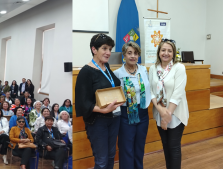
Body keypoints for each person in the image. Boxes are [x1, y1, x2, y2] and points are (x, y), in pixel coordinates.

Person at [75, 34, 123, 169]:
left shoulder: (106, 67)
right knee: (101, 160)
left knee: (111, 156)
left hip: (113, 118)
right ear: (94, 49)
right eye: (104, 48)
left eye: (110, 49)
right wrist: (102, 109)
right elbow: (82, 102)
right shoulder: (86, 72)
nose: (108, 52)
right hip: (97, 121)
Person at [149, 39, 189, 169]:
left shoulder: (179, 68)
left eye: (169, 51)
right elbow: (151, 91)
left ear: (174, 53)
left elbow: (178, 94)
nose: (166, 53)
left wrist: (167, 115)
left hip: (175, 113)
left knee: (174, 146)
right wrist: (160, 110)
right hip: (160, 112)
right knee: (165, 146)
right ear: (159, 52)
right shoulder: (153, 68)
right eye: (163, 50)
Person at [113, 41, 151, 169]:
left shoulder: (143, 70)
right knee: (126, 149)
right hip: (126, 115)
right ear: (124, 55)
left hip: (143, 114)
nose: (133, 56)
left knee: (139, 147)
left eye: (135, 53)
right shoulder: (118, 73)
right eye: (129, 53)